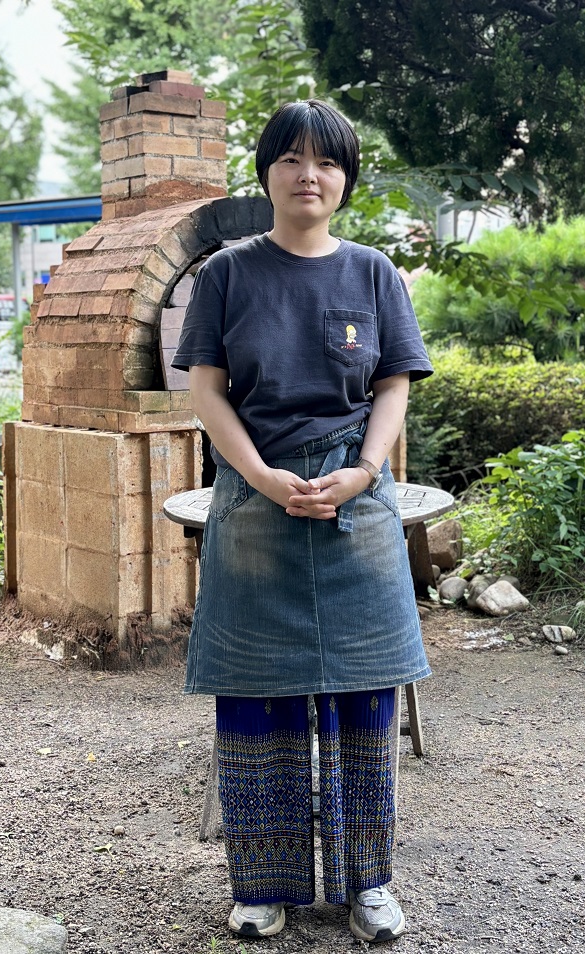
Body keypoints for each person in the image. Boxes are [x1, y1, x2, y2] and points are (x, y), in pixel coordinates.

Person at [171, 100, 434, 943]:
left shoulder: (374, 272)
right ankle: (262, 886)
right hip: (256, 500)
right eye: (290, 158)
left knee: (364, 699)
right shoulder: (227, 273)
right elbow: (206, 389)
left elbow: (392, 383)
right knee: (258, 697)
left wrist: (363, 472)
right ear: (268, 172)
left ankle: (369, 885)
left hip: (356, 502)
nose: (308, 174)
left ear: (345, 179)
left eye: (325, 161)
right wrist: (259, 475)